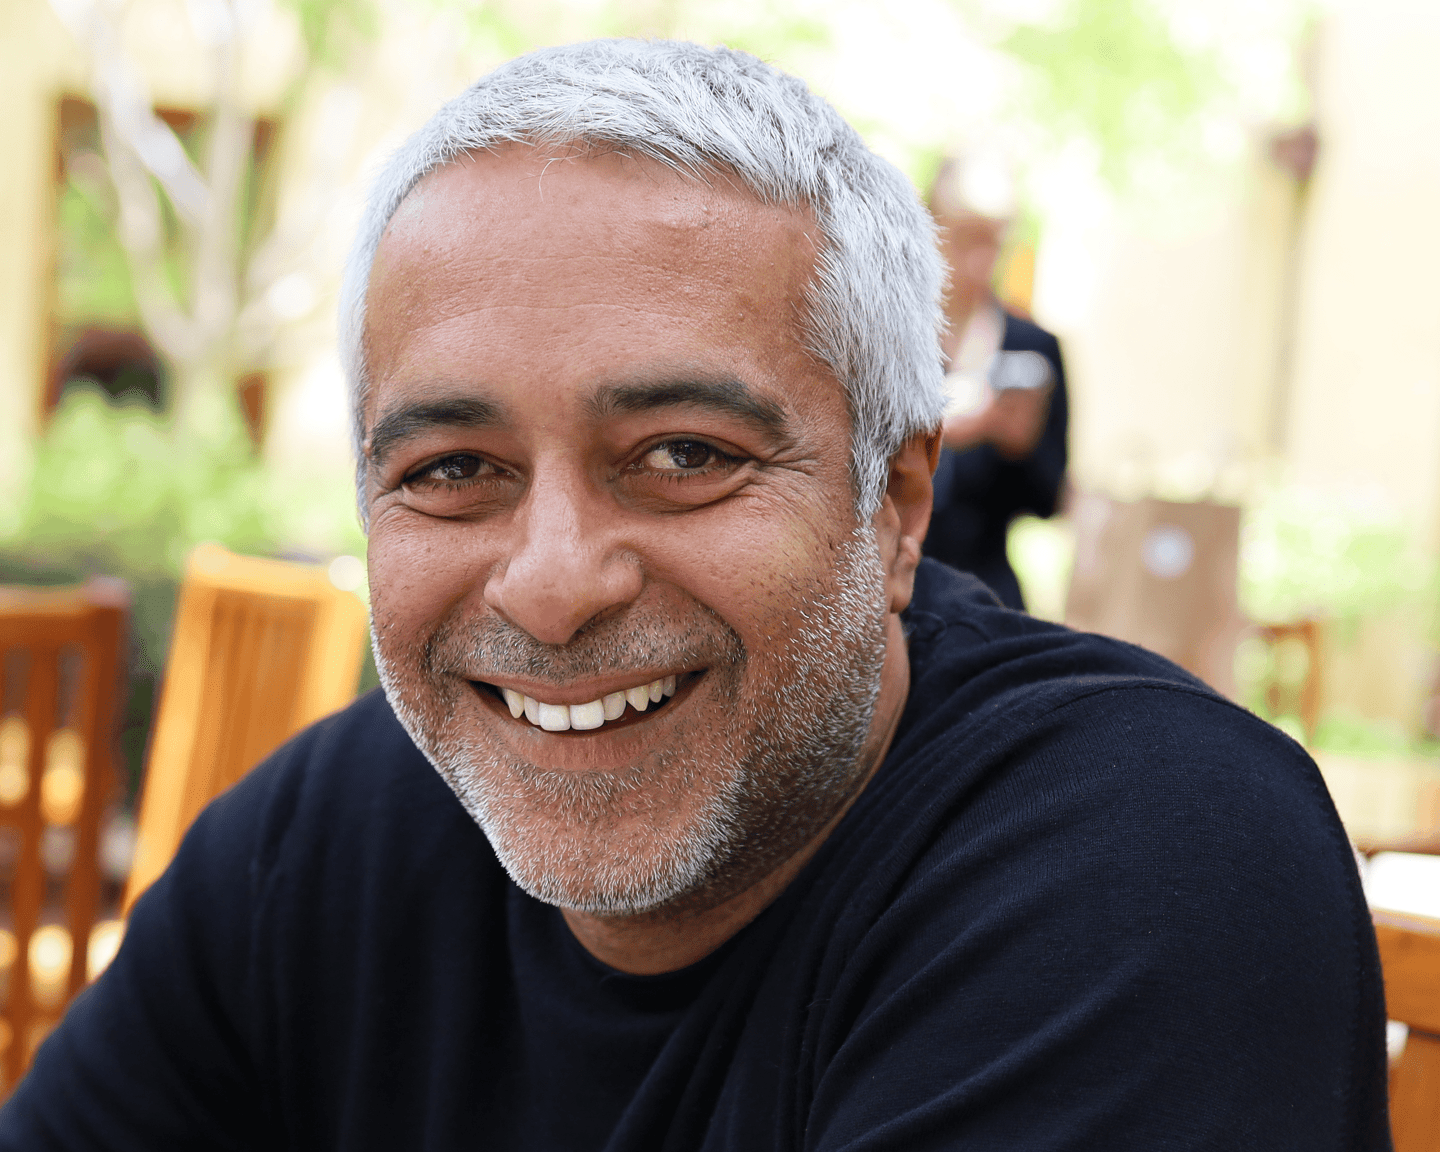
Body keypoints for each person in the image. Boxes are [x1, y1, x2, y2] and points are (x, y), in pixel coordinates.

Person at [0, 40, 1388, 1151]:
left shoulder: (1146, 859)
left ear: (894, 506)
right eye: (453, 467)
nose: (550, 587)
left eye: (683, 456)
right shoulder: (319, 846)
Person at [922, 154, 1069, 611]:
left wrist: (1018, 445)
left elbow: (1048, 501)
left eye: (994, 243)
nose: (979, 262)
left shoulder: (1031, 345)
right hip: (886, 584)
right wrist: (945, 433)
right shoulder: (890, 334)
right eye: (966, 240)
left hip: (984, 590)